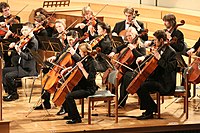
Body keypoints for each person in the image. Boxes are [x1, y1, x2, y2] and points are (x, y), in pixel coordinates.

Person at [34, 30, 79, 116]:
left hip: (73, 71)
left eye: (71, 40)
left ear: (76, 39)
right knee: (47, 74)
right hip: (63, 70)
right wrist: (55, 57)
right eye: (68, 40)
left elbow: (81, 60)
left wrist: (74, 54)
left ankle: (64, 107)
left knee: (59, 83)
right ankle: (46, 102)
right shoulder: (67, 46)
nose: (69, 42)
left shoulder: (80, 47)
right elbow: (61, 55)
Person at [135, 30, 177, 120]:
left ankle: (150, 111)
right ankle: (151, 108)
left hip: (165, 82)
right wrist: (143, 57)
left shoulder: (171, 52)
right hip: (157, 78)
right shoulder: (160, 48)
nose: (154, 42)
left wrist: (160, 58)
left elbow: (170, 68)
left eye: (155, 40)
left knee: (143, 86)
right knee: (138, 84)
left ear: (161, 40)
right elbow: (151, 57)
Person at [108, 27, 146, 107]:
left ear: (135, 35)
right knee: (113, 74)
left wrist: (133, 50)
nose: (128, 38)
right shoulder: (127, 44)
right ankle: (111, 96)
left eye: (130, 36)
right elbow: (116, 49)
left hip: (136, 70)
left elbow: (143, 58)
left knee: (125, 77)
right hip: (126, 68)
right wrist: (112, 52)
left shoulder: (141, 46)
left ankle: (121, 101)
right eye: (127, 36)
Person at [62, 42, 98, 124]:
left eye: (80, 51)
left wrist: (82, 68)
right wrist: (68, 69)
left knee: (69, 96)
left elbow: (90, 78)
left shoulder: (92, 62)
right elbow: (79, 65)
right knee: (65, 89)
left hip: (89, 88)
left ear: (85, 52)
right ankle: (71, 114)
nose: (79, 53)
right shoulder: (84, 59)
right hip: (82, 85)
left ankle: (76, 118)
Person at [2, 22, 38, 101]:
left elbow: (28, 57)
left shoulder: (33, 42)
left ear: (31, 30)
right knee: (3, 71)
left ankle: (14, 94)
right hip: (21, 66)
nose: (23, 32)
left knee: (9, 75)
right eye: (23, 30)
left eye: (26, 30)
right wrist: (13, 47)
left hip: (27, 69)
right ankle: (9, 92)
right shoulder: (25, 40)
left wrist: (19, 51)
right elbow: (17, 54)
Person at [0, 2, 21, 67]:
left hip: (13, 39)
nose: (8, 12)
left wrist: (8, 25)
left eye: (8, 9)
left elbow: (18, 29)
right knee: (5, 55)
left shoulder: (16, 18)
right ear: (2, 12)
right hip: (3, 40)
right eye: (5, 10)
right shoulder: (0, 19)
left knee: (14, 56)